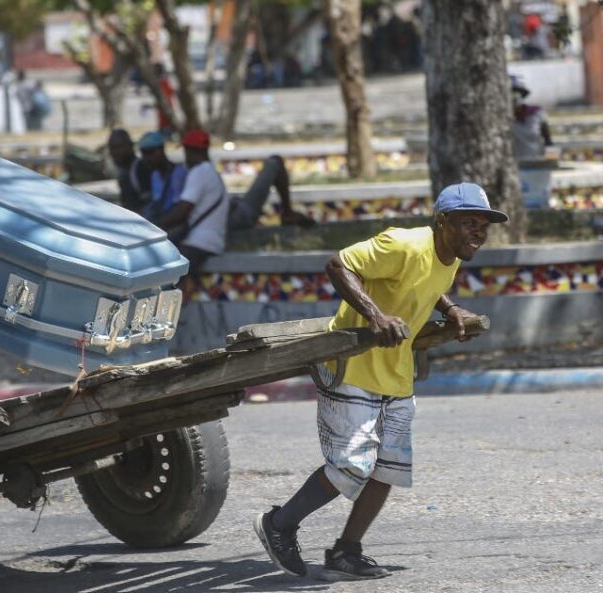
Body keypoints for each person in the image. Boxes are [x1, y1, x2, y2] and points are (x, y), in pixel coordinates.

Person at [253, 182, 508, 581]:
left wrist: (451, 306)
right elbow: (339, 264)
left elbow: (428, 283)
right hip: (352, 366)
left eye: (484, 224)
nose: (478, 231)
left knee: (388, 468)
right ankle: (280, 523)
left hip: (395, 372)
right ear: (442, 221)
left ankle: (346, 550)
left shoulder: (451, 255)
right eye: (468, 222)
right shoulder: (403, 244)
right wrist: (375, 315)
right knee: (351, 466)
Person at [154, 129, 230, 274]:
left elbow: (182, 211)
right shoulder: (212, 172)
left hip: (199, 243)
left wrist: (154, 227)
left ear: (189, 151)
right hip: (211, 242)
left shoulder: (199, 172)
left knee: (161, 274)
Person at [229, 155, 315, 230]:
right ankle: (287, 213)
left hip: (231, 215)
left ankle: (287, 213)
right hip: (236, 218)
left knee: (274, 162)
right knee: (274, 162)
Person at [137, 131, 188, 223]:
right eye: (144, 154)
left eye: (149, 153)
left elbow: (179, 208)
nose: (146, 158)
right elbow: (157, 203)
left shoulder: (178, 172)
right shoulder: (155, 175)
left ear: (160, 150)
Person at [106, 129, 152, 214]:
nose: (114, 152)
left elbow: (151, 205)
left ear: (130, 146)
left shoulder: (140, 169)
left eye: (118, 147)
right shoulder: (123, 172)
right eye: (111, 148)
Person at [511, 75, 553, 161]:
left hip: (536, 162)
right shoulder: (501, 120)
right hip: (513, 164)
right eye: (510, 94)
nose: (514, 98)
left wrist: (552, 161)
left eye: (516, 94)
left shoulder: (536, 113)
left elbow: (548, 141)